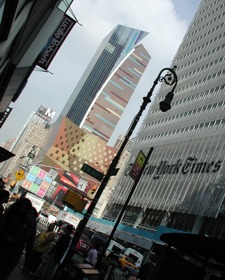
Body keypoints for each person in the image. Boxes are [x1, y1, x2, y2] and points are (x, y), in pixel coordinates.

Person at [0, 197, 34, 279]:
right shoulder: (12, 217)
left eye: (25, 209)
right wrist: (6, 237)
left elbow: (30, 244)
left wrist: (27, 262)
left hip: (13, 255)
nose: (22, 210)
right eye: (22, 207)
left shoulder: (30, 226)